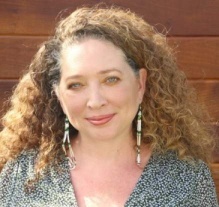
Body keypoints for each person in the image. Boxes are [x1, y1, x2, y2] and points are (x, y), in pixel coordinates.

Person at [0, 5, 218, 207]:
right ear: (57, 93)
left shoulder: (187, 180)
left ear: (140, 84)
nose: (95, 101)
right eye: (76, 85)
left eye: (111, 79)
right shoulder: (21, 175)